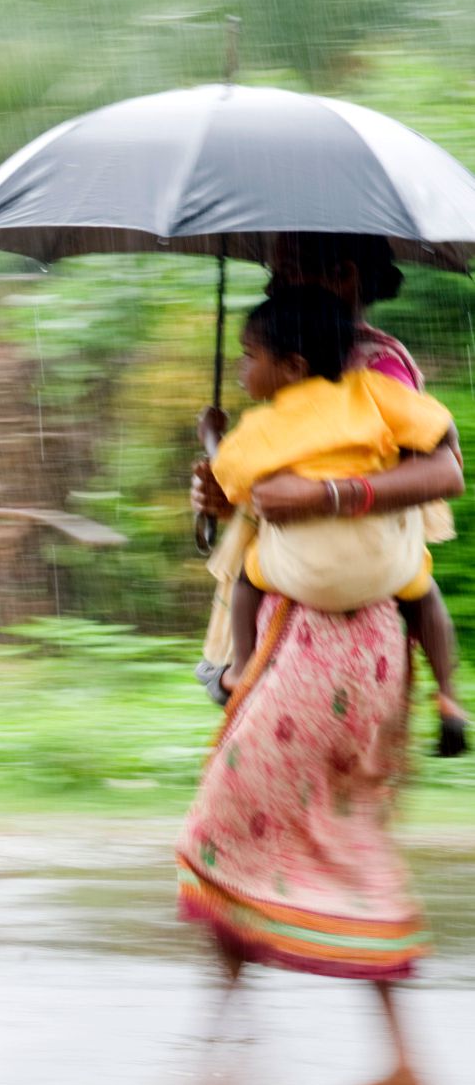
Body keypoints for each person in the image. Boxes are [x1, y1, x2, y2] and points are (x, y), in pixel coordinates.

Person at [195, 233, 466, 753]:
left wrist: (322, 496)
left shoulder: (376, 367)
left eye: (290, 267)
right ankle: (450, 695)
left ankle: (242, 669)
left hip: (326, 579)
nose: (273, 282)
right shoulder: (298, 346)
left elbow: (442, 469)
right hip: (334, 558)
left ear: (343, 277)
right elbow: (257, 478)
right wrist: (217, 497)